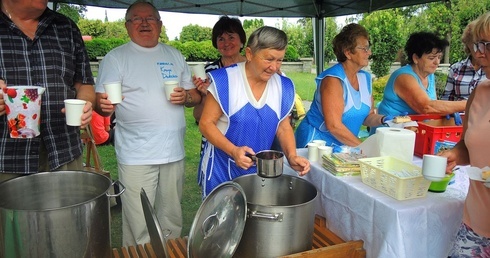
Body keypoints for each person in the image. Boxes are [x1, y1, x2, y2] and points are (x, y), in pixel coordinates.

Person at [95, 0, 201, 246]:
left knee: (172, 217)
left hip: (173, 150)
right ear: (127, 26)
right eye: (136, 19)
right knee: (138, 221)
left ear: (160, 24)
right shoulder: (116, 57)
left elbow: (194, 96)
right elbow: (102, 102)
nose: (144, 23)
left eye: (150, 18)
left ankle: (171, 250)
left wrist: (186, 96)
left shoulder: (174, 55)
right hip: (136, 153)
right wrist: (105, 106)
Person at [198, 26, 310, 197]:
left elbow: (283, 126)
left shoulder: (283, 86)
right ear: (249, 54)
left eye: (279, 60)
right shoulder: (225, 81)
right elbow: (206, 124)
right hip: (221, 171)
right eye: (269, 59)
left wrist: (292, 155)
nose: (274, 67)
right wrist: (233, 150)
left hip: (259, 173)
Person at [0, 0, 95, 183]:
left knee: (67, 212)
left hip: (64, 154)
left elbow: (84, 83)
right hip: (6, 161)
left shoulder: (66, 27)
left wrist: (85, 103)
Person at [440, 12, 490, 257]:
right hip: (475, 227)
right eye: (477, 45)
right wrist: (454, 155)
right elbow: (468, 147)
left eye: (487, 45)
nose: (479, 53)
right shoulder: (480, 93)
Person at [295, 23, 387, 148]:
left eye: (368, 48)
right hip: (316, 145)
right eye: (364, 48)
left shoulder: (365, 78)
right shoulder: (333, 80)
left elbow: (367, 117)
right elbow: (334, 126)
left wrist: (385, 119)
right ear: (348, 53)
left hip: (343, 146)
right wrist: (364, 148)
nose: (369, 53)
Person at [377, 32, 466, 118]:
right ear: (416, 58)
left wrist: (446, 111)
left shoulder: (429, 75)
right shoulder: (404, 77)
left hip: (412, 129)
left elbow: (432, 107)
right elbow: (426, 107)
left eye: (439, 57)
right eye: (431, 58)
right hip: (391, 130)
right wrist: (468, 103)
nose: (437, 62)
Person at [192, 16, 247, 123]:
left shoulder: (253, 68)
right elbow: (198, 117)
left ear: (241, 41)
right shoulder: (208, 72)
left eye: (231, 37)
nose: (226, 43)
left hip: (242, 135)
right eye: (221, 39)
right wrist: (206, 95)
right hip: (213, 136)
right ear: (216, 43)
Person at [440, 21, 486, 101]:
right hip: (459, 113)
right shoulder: (456, 69)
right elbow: (446, 100)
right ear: (467, 44)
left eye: (483, 44)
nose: (480, 49)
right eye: (476, 44)